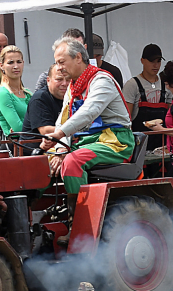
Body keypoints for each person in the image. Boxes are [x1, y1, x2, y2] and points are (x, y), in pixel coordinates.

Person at [39, 38, 133, 211]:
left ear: (78, 58)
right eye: (56, 63)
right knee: (38, 163)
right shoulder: (73, 87)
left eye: (61, 62)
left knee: (73, 161)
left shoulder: (102, 80)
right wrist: (60, 148)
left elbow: (89, 111)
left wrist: (59, 136)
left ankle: (77, 222)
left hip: (114, 141)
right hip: (87, 142)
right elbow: (63, 120)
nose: (58, 67)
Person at [123, 44, 171, 149]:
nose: (156, 65)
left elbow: (170, 118)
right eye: (152, 61)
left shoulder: (166, 86)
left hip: (161, 148)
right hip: (139, 146)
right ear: (142, 60)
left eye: (158, 61)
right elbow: (126, 119)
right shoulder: (132, 85)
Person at [0, 46, 32, 136]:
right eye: (10, 62)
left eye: (19, 62)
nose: (16, 66)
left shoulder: (28, 93)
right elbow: (18, 128)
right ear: (1, 65)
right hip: (15, 146)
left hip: (33, 143)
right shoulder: (2, 93)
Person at [22, 64, 69, 136]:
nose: (64, 83)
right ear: (48, 80)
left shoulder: (73, 97)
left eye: (68, 79)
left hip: (64, 144)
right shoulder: (39, 98)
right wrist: (73, 130)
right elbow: (45, 131)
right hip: (35, 145)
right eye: (59, 79)